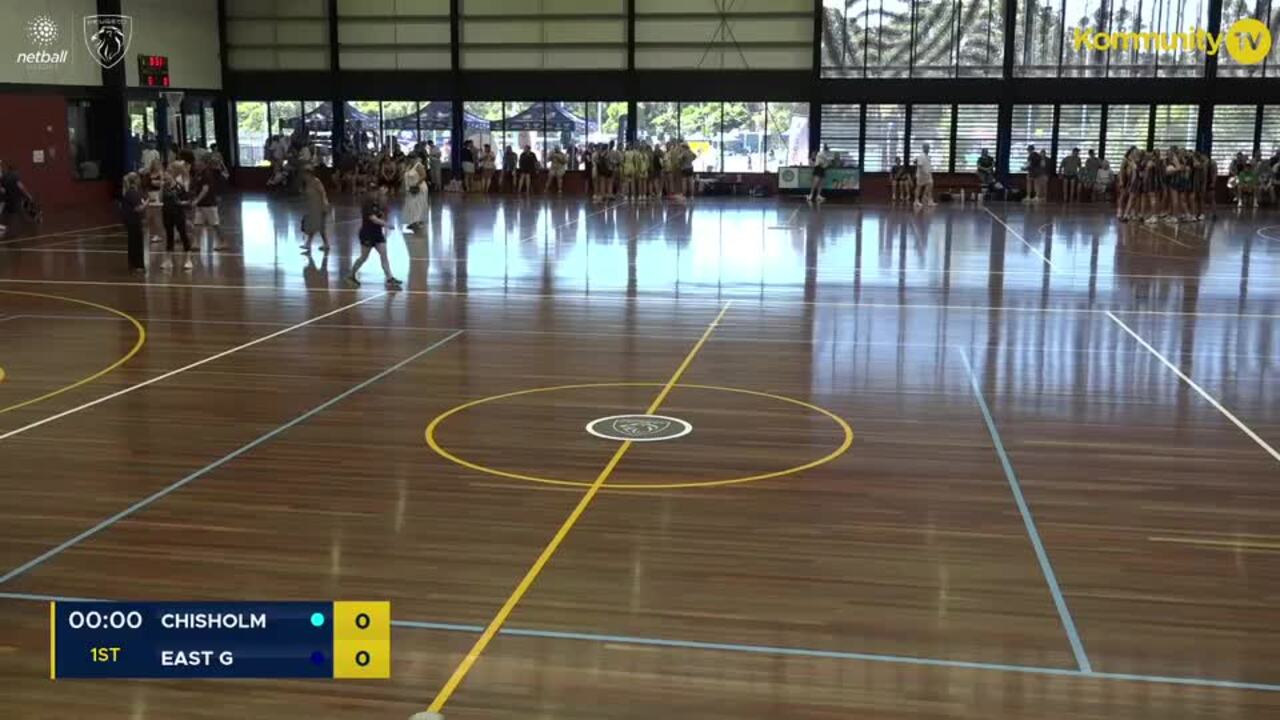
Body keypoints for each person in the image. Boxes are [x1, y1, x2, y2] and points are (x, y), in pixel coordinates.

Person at [348, 188, 401, 287]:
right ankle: (351, 275)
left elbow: (381, 216)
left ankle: (390, 278)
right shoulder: (367, 205)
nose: (375, 193)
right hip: (367, 234)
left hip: (377, 234)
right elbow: (374, 219)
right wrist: (386, 225)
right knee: (363, 257)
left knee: (384, 255)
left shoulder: (378, 204)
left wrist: (384, 209)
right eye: (373, 191)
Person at [190, 158, 227, 252]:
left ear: (204, 164)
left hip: (209, 204)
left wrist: (196, 200)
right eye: (195, 165)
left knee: (215, 224)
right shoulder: (198, 174)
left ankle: (223, 242)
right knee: (197, 224)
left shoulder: (207, 174)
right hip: (201, 205)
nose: (196, 166)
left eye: (198, 164)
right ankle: (196, 243)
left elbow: (205, 189)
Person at [160, 173, 194, 271]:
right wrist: (161, 188)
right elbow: (160, 198)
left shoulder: (180, 187)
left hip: (178, 214)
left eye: (167, 177)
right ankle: (168, 261)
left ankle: (188, 260)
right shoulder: (164, 187)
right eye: (164, 178)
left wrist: (181, 203)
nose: (166, 179)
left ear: (172, 176)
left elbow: (188, 201)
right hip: (167, 214)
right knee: (169, 236)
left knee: (183, 235)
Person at [120, 172, 147, 275]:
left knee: (133, 242)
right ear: (136, 180)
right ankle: (138, 265)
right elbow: (138, 208)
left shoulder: (132, 192)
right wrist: (147, 203)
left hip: (132, 221)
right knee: (136, 243)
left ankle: (133, 264)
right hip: (133, 221)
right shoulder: (132, 193)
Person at [300, 165, 331, 252]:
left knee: (320, 227)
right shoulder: (307, 184)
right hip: (313, 207)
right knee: (313, 226)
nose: (304, 176)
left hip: (320, 207)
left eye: (305, 174)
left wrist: (325, 203)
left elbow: (322, 192)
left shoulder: (316, 181)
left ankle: (324, 244)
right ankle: (309, 244)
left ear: (309, 174)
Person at [402, 157, 429, 231]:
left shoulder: (418, 165)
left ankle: (417, 221)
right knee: (412, 205)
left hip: (419, 187)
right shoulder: (408, 166)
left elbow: (423, 175)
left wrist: (416, 184)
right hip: (411, 188)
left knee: (418, 204)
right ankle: (412, 221)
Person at [914, 143, 935, 210]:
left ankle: (929, 200)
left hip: (928, 175)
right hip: (921, 175)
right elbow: (920, 166)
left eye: (928, 147)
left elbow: (928, 165)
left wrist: (929, 172)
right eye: (926, 147)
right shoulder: (921, 156)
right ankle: (916, 201)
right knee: (919, 187)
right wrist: (924, 173)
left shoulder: (928, 157)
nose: (927, 149)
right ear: (923, 148)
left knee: (930, 185)